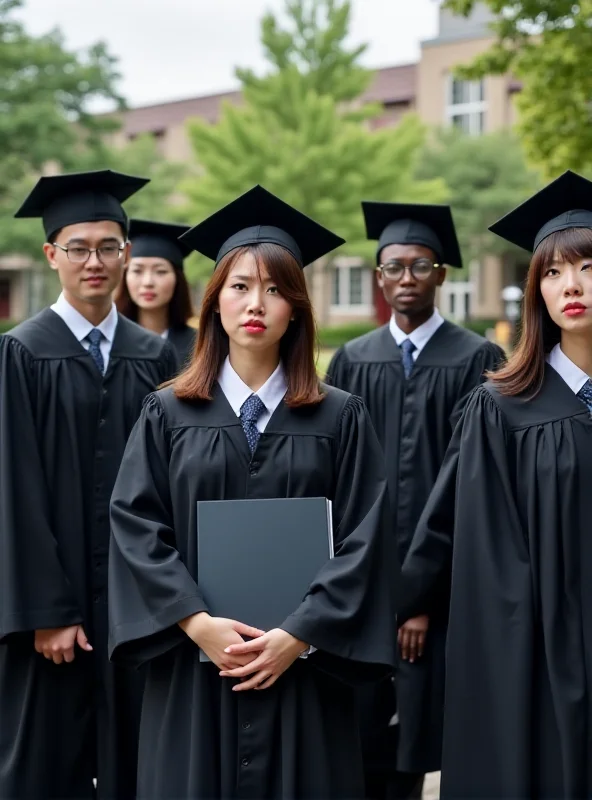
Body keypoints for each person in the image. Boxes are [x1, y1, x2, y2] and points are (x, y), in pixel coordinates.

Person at [108, 185, 397, 800]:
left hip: (305, 673)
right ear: (215, 304)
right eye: (239, 286)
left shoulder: (341, 417)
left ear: (296, 307)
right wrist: (195, 622)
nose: (256, 303)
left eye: (275, 289)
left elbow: (365, 537)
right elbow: (136, 525)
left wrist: (300, 634)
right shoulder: (166, 412)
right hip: (193, 670)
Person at [400, 170, 592, 799]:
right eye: (554, 272)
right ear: (535, 288)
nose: (573, 286)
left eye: (588, 267)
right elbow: (467, 533)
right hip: (539, 647)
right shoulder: (503, 407)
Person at [0, 170, 177, 799]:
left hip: (137, 601)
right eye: (79, 247)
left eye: (109, 247)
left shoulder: (154, 356)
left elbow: (168, 482)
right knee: (47, 763)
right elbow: (13, 490)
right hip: (54, 607)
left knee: (139, 757)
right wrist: (46, 612)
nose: (94, 261)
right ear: (52, 255)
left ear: (126, 253)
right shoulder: (21, 352)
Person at [327, 201, 505, 799]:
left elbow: (468, 486)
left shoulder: (479, 359)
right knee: (357, 733)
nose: (406, 278)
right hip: (360, 583)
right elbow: (339, 478)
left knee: (416, 743)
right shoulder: (352, 359)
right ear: (378, 277)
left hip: (443, 591)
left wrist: (421, 599)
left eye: (420, 266)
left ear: (442, 275)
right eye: (394, 266)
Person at [115, 218, 197, 367]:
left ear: (178, 279)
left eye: (160, 271)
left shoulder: (199, 346)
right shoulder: (110, 341)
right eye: (137, 271)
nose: (148, 282)